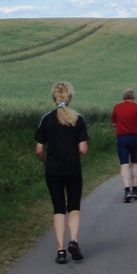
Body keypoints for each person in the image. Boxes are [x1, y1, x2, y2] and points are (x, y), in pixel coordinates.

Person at [35, 82, 88, 264]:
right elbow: (83, 149)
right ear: (70, 97)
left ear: (54, 97)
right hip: (73, 168)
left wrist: (45, 161)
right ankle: (73, 240)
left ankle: (61, 251)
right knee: (73, 206)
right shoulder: (78, 119)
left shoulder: (46, 119)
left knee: (58, 208)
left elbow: (39, 149)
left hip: (53, 170)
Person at [111, 88, 137, 202]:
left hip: (121, 138)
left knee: (124, 164)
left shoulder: (117, 107)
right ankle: (135, 190)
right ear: (134, 97)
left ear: (123, 97)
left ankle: (127, 190)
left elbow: (113, 123)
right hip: (134, 137)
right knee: (135, 162)